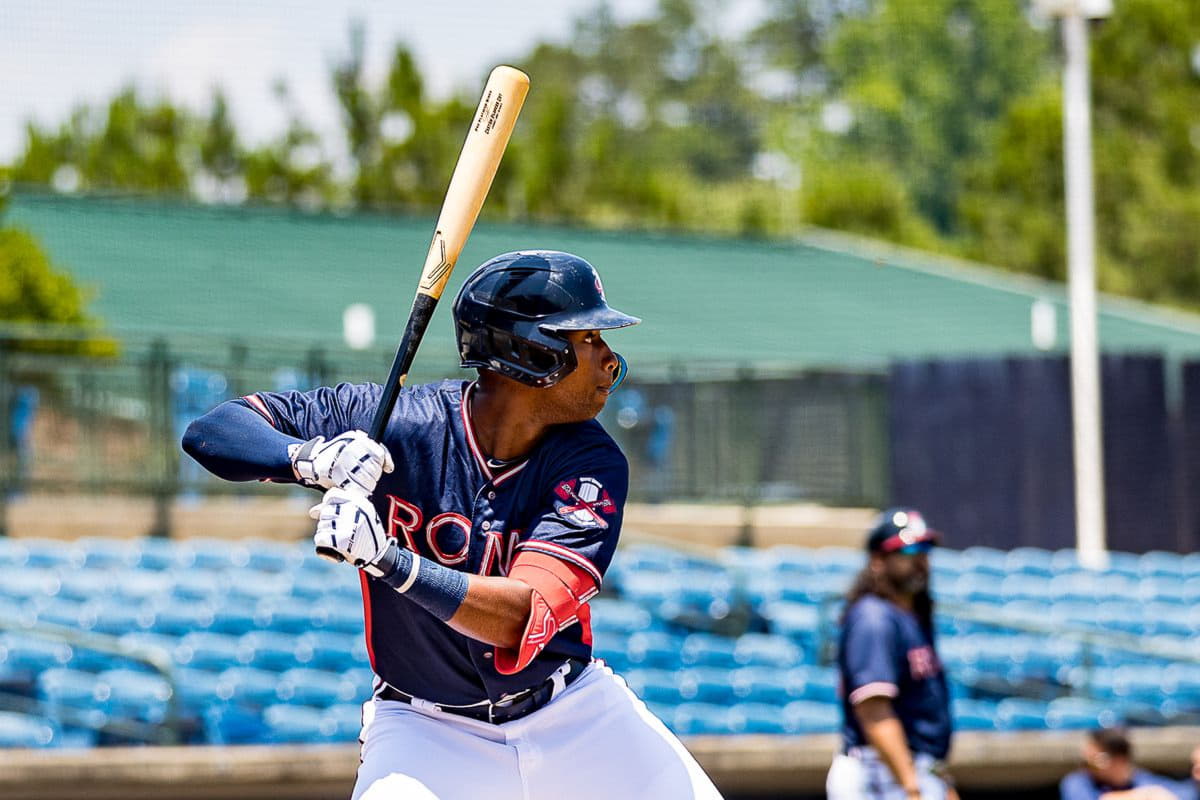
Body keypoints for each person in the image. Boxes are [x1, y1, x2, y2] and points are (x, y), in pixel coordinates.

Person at [183, 250, 723, 800]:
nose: (611, 360)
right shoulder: (397, 421)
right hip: (426, 732)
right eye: (588, 339)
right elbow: (213, 431)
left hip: (573, 715)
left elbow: (519, 618)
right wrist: (309, 458)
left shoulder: (592, 463)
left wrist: (389, 560)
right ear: (533, 352)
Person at [826, 508, 957, 800]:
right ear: (878, 561)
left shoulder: (909, 616)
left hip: (907, 769)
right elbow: (874, 710)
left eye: (924, 549)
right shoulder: (874, 619)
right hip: (879, 770)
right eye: (907, 550)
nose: (919, 560)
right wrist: (912, 786)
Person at [1060, 728, 1184, 800]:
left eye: (1095, 759)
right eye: (1086, 760)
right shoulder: (1078, 782)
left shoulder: (1146, 781)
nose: (1087, 766)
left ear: (1120, 761)